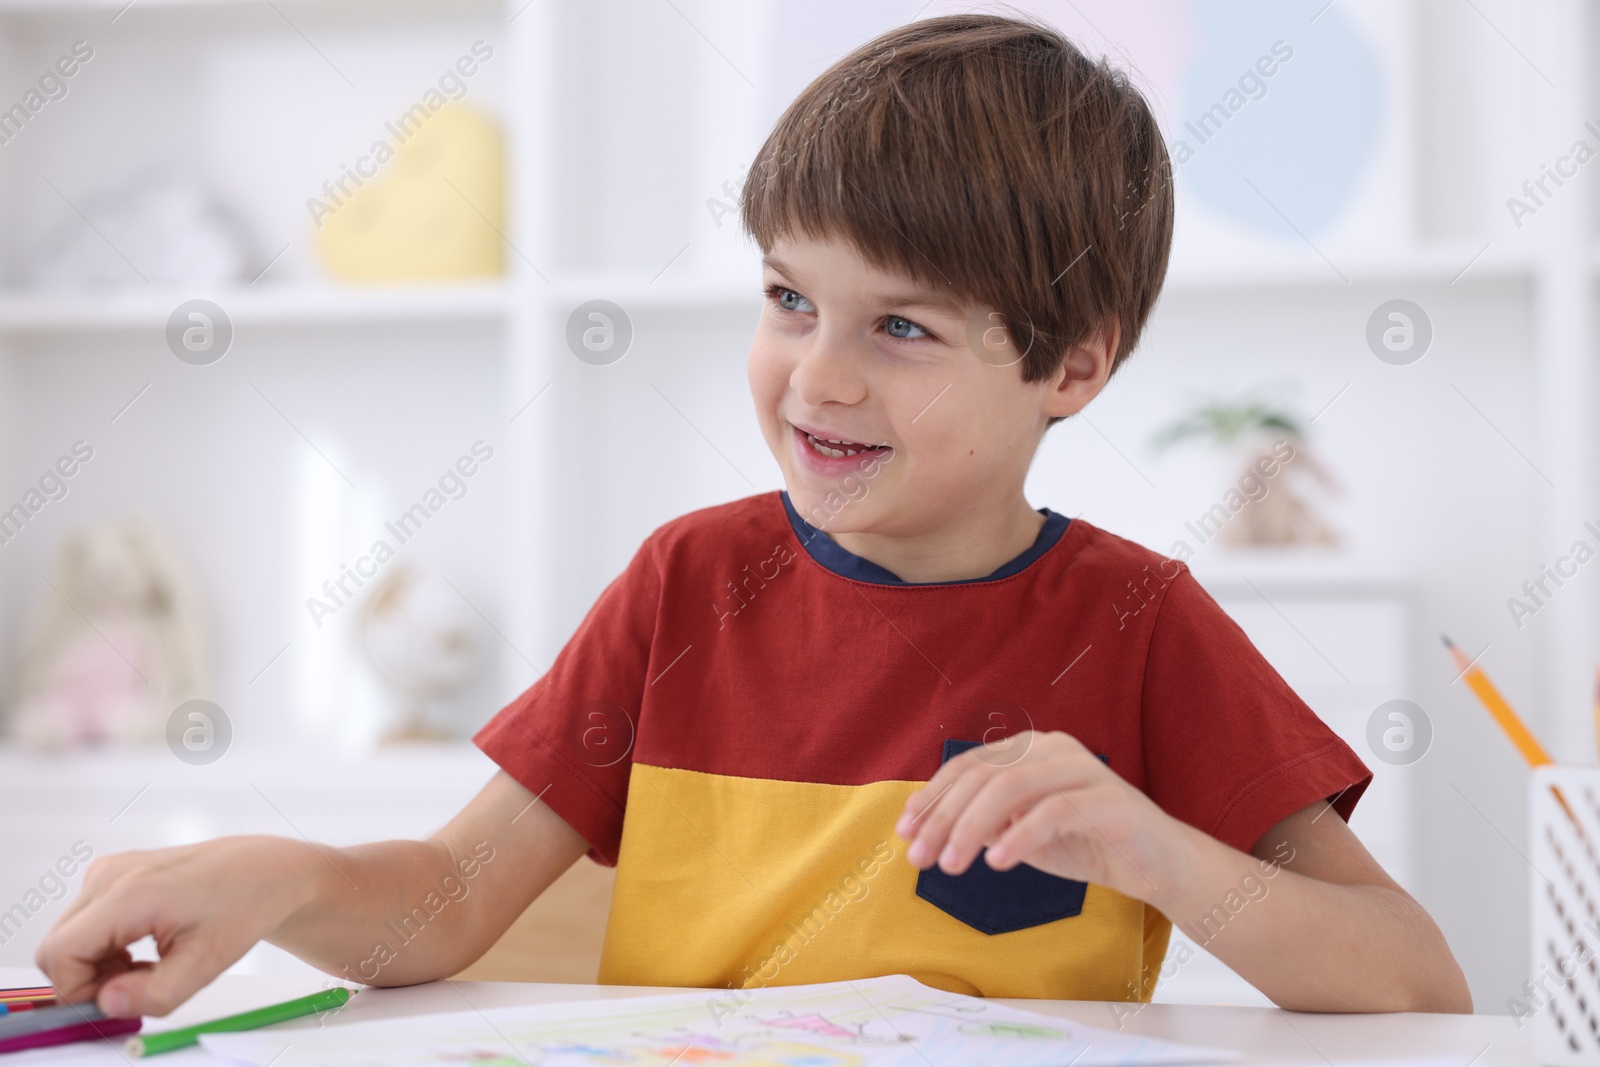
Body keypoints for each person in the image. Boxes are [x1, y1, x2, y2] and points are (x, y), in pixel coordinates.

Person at [36, 14, 1471, 1016]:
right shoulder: (684, 585)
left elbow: (1414, 979)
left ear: (1072, 366)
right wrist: (277, 876)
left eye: (900, 327)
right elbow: (452, 902)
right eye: (790, 299)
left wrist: (1157, 848)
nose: (817, 377)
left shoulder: (1139, 624)